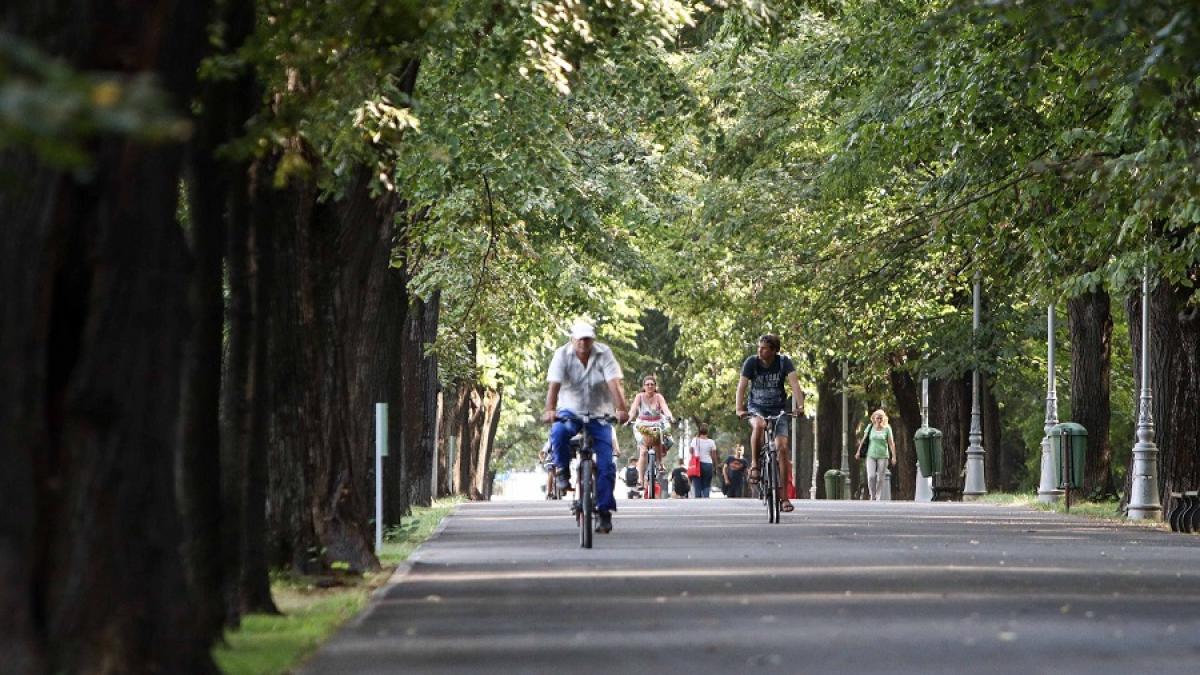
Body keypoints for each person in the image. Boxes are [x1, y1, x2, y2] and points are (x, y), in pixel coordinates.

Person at [544, 321, 629, 533]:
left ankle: (604, 510)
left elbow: (614, 384)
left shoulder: (604, 354)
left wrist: (622, 409)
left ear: (593, 339)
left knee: (607, 464)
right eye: (580, 338)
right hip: (570, 410)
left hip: (600, 413)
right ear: (572, 339)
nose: (584, 343)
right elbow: (554, 385)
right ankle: (562, 470)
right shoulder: (561, 355)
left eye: (587, 339)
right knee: (559, 432)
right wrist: (550, 410)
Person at [734, 334, 805, 512]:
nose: (760, 350)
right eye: (759, 347)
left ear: (774, 350)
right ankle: (755, 465)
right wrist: (739, 408)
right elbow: (742, 386)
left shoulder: (783, 362)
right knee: (758, 425)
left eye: (764, 348)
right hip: (756, 407)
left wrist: (801, 405)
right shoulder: (751, 362)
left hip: (778, 409)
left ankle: (784, 498)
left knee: (782, 448)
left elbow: (794, 384)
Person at [628, 374, 675, 492]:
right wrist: (628, 419)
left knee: (659, 438)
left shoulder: (659, 397)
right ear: (644, 386)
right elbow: (633, 410)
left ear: (655, 386)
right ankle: (640, 480)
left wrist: (670, 416)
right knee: (643, 452)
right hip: (642, 425)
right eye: (647, 384)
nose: (649, 386)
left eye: (652, 384)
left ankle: (660, 463)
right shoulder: (639, 397)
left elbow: (665, 408)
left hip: (658, 423)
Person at [864, 408, 897, 500]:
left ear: (883, 419)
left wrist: (894, 456)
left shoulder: (887, 428)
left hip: (883, 456)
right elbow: (864, 440)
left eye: (880, 418)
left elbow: (891, 443)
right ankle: (872, 494)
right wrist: (859, 451)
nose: (878, 420)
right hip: (871, 455)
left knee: (880, 477)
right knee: (871, 476)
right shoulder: (870, 427)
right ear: (873, 418)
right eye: (877, 418)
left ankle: (877, 495)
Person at [688, 423, 719, 498]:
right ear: (707, 431)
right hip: (708, 465)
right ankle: (706, 502)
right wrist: (716, 466)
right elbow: (714, 456)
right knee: (706, 485)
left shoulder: (695, 440)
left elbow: (691, 451)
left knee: (697, 486)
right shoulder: (711, 442)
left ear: (699, 431)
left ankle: (698, 504)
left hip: (697, 464)